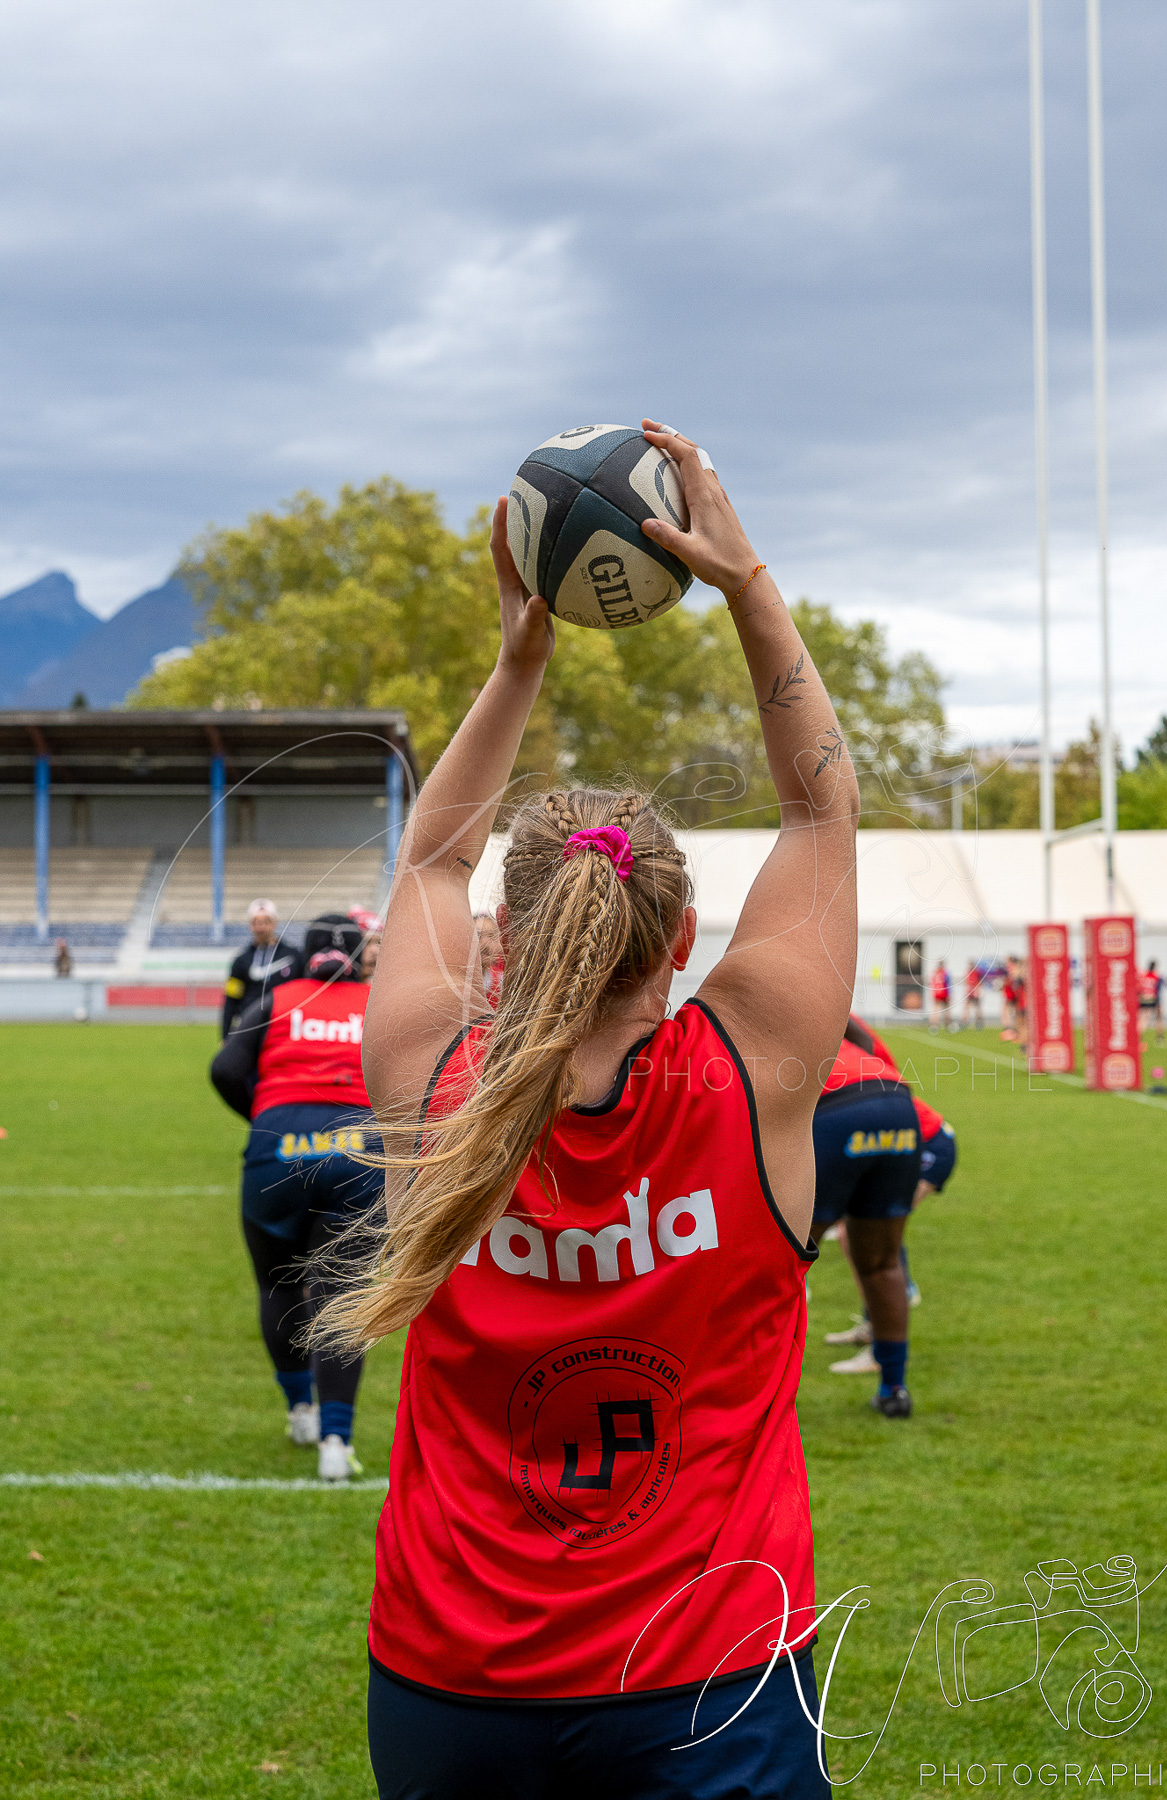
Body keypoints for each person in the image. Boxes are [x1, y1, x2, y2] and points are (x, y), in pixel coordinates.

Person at [313, 424, 859, 1799]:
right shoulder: (755, 1073)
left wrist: (518, 661)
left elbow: (432, 853)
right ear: (679, 946)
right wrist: (744, 585)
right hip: (707, 1686)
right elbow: (818, 807)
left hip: (450, 1686)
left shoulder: (433, 1081)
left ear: (502, 941)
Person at [210, 913, 379, 1482]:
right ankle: (336, 1441)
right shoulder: (379, 1005)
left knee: (277, 1285)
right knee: (339, 1298)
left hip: (276, 1149)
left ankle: (300, 1410)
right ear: (360, 957)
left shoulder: (277, 1000)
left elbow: (226, 1067)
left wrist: (265, 1116)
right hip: (359, 1150)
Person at [823, 1017, 957, 1360]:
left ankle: (886, 1325)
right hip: (898, 1133)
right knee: (859, 1235)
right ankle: (876, 1328)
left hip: (928, 1143)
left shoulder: (847, 1028)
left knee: (873, 1237)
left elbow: (882, 1081)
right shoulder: (838, 1022)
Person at [812, 1019, 921, 1413]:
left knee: (782, 1263)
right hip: (894, 1100)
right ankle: (894, 1390)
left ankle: (758, 1397)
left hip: (835, 1108)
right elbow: (863, 1039)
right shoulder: (822, 995)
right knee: (882, 1264)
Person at [222, 899, 303, 1039]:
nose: (260, 927)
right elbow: (231, 1000)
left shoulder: (294, 956)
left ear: (274, 923)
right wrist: (225, 1036)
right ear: (250, 925)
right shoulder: (240, 961)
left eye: (266, 922)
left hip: (284, 1027)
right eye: (255, 923)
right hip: (249, 1028)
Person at [472, 911, 504, 1004]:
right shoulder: (457, 982)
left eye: (491, 936)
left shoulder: (503, 984)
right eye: (478, 936)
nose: (485, 943)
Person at [1139, 959, 1165, 1049]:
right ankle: (1160, 1037)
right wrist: (1158, 1002)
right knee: (1159, 1018)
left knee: (1143, 1019)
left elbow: (1139, 988)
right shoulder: (1157, 976)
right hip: (1153, 999)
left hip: (1143, 999)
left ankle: (1140, 1039)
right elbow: (1158, 990)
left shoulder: (1142, 975)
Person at [961, 959, 984, 1029]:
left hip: (974, 992)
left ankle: (978, 1021)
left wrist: (978, 991)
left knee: (977, 1008)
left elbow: (979, 982)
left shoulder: (976, 973)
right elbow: (966, 982)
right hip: (970, 993)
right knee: (968, 1007)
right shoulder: (969, 973)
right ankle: (965, 1021)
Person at [929, 959, 952, 1031]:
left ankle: (933, 1025)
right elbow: (947, 984)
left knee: (936, 1009)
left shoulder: (935, 973)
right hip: (943, 993)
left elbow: (932, 983)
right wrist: (949, 994)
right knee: (947, 1009)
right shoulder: (945, 973)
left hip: (936, 993)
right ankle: (948, 1024)